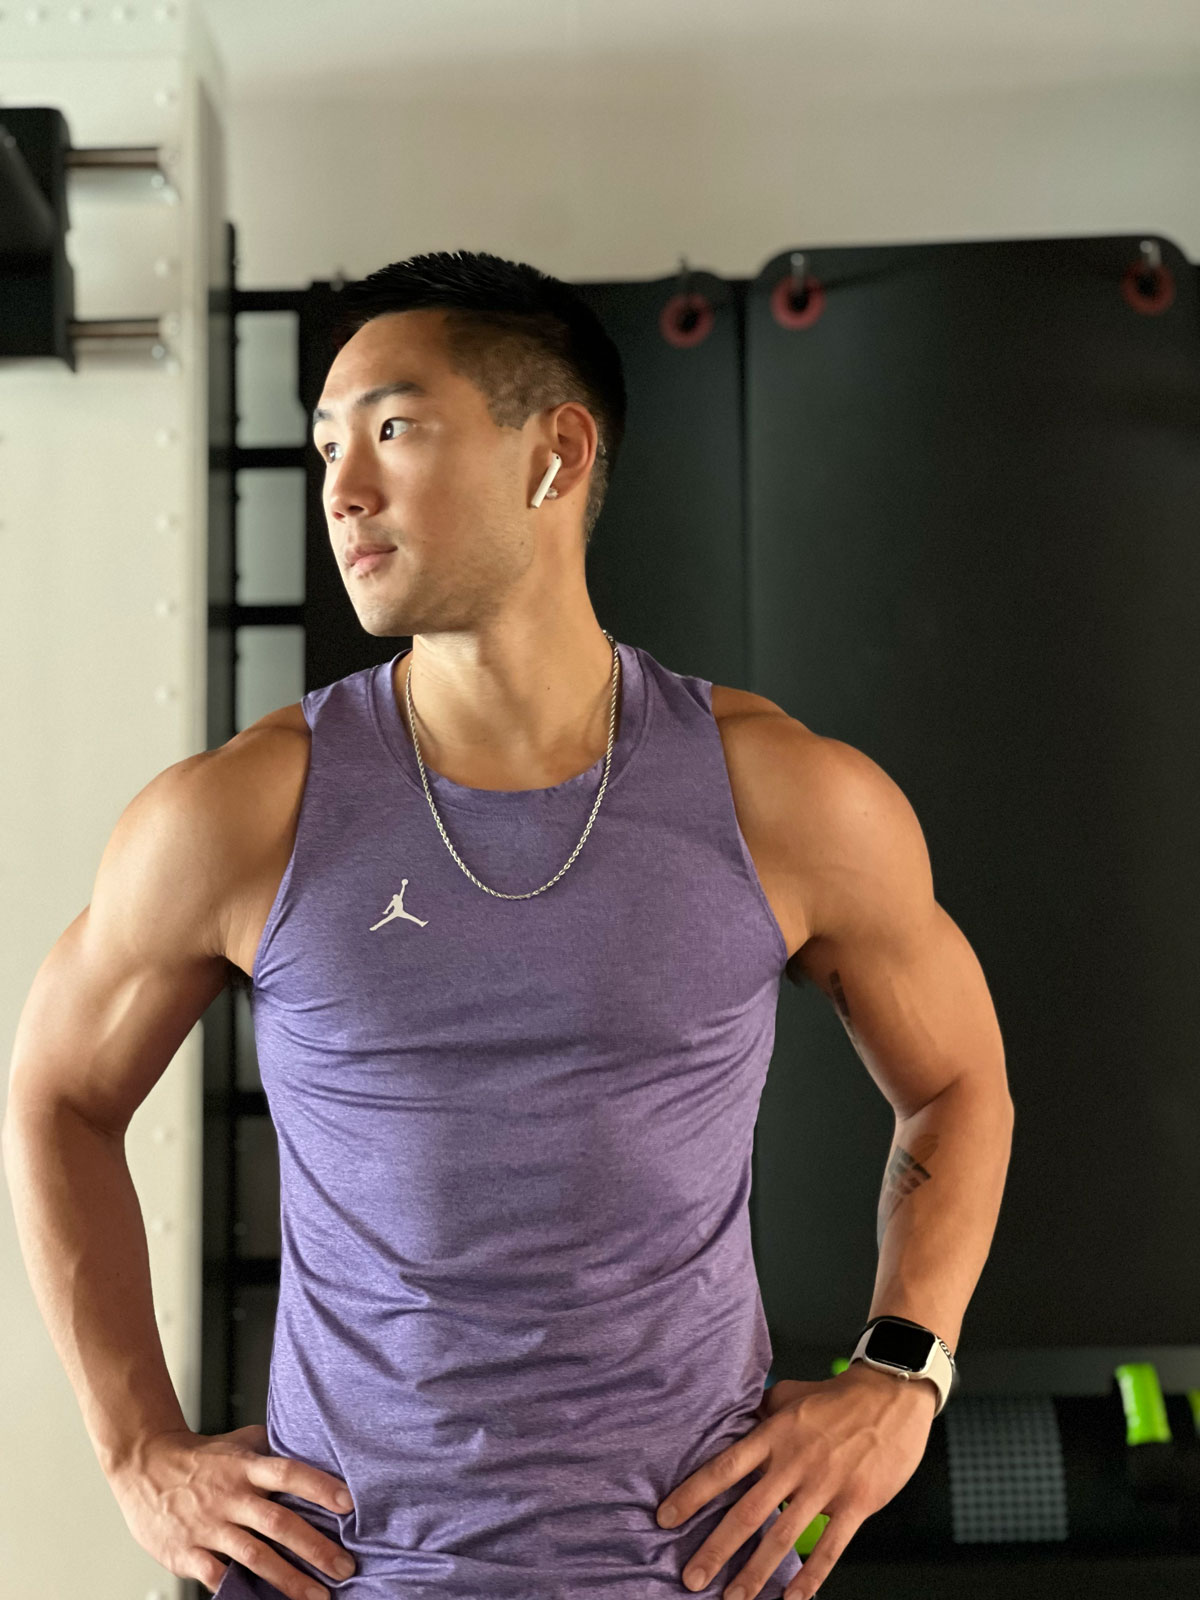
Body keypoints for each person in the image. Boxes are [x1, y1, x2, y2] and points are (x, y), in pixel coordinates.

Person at [3, 250, 1011, 1600]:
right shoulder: (240, 815)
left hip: (691, 1568)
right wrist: (136, 1450)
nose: (342, 491)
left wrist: (901, 1376)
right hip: (342, 1576)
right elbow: (57, 1093)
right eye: (323, 449)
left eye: (394, 429)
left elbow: (957, 1084)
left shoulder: (789, 799)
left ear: (556, 454)